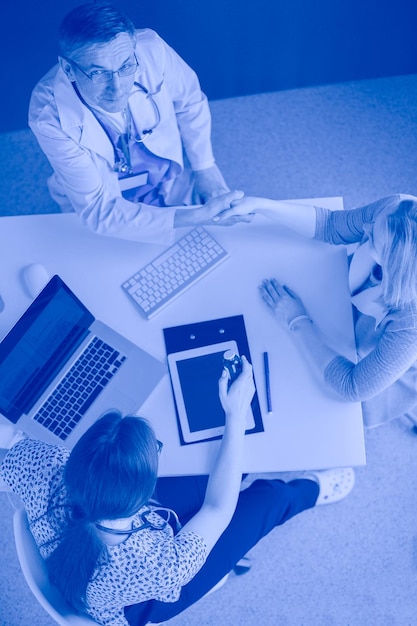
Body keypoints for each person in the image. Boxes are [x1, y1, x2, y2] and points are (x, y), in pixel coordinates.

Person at [1, 357, 354, 625]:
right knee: (270, 498)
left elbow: (8, 456)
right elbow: (217, 508)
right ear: (144, 497)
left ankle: (257, 470)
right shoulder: (158, 566)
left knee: (216, 464)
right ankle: (312, 489)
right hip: (142, 601)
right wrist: (235, 415)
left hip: (115, 546)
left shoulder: (43, 464)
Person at [28, 3, 248, 244]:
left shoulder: (152, 51)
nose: (118, 88)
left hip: (162, 175)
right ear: (69, 69)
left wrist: (205, 170)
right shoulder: (49, 114)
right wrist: (196, 216)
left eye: (125, 67)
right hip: (100, 194)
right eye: (98, 73)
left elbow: (190, 102)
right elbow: (100, 210)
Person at [225, 193, 417, 428]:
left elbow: (353, 386)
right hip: (347, 310)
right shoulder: (395, 209)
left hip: (374, 355)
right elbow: (331, 225)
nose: (364, 229)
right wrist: (262, 205)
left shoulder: (411, 323)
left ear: (396, 266)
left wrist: (297, 320)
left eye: (374, 242)